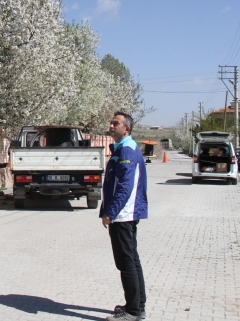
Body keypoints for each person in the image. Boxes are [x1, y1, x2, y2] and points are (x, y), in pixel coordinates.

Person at [100, 111, 148, 321]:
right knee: (132, 260)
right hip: (125, 214)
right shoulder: (123, 148)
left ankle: (133, 312)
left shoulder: (127, 150)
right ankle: (137, 305)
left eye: (116, 123)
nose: (111, 126)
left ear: (126, 129)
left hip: (123, 215)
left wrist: (111, 212)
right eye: (111, 123)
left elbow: (124, 187)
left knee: (126, 263)